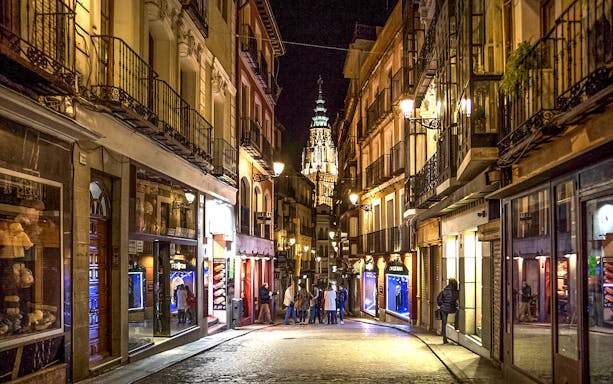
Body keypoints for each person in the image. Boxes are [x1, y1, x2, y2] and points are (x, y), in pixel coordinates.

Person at [437, 278, 459, 344]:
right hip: (452, 308)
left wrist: (441, 305)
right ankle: (456, 325)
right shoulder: (456, 292)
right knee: (458, 312)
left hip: (444, 308)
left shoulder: (444, 290)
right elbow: (456, 300)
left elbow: (439, 299)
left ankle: (444, 338)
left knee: (444, 323)